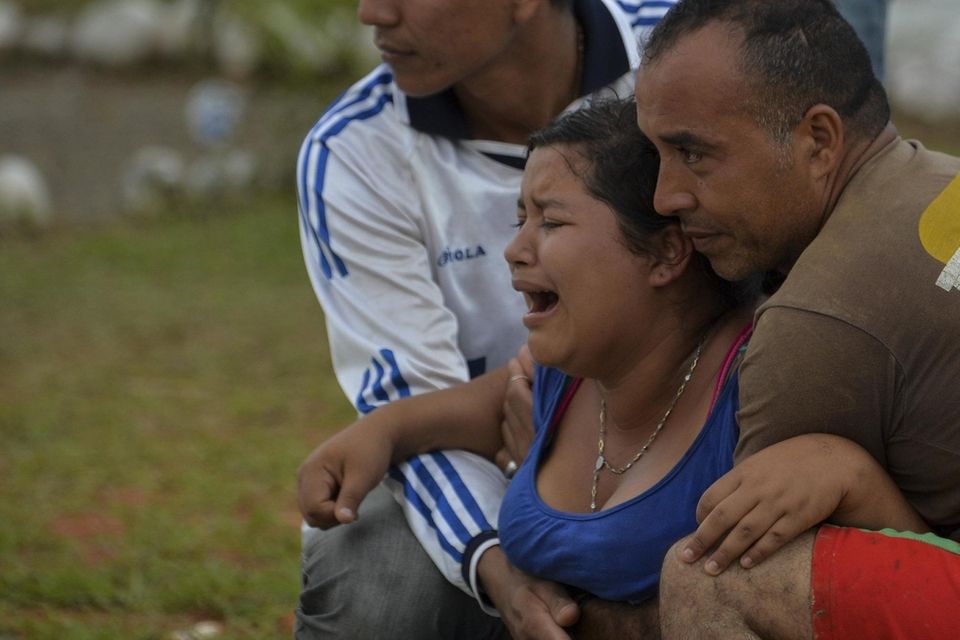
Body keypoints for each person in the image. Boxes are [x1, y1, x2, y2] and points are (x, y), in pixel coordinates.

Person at [294, 0, 678, 637]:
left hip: (698, 446)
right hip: (484, 472)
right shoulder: (354, 152)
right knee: (378, 583)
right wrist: (501, 571)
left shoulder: (692, 50)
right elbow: (421, 401)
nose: (370, 13)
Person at [632, 0, 960, 637]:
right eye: (657, 156)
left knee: (714, 576)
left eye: (693, 154)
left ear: (818, 139)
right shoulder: (937, 176)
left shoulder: (821, 317)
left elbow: (738, 538)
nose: (663, 197)